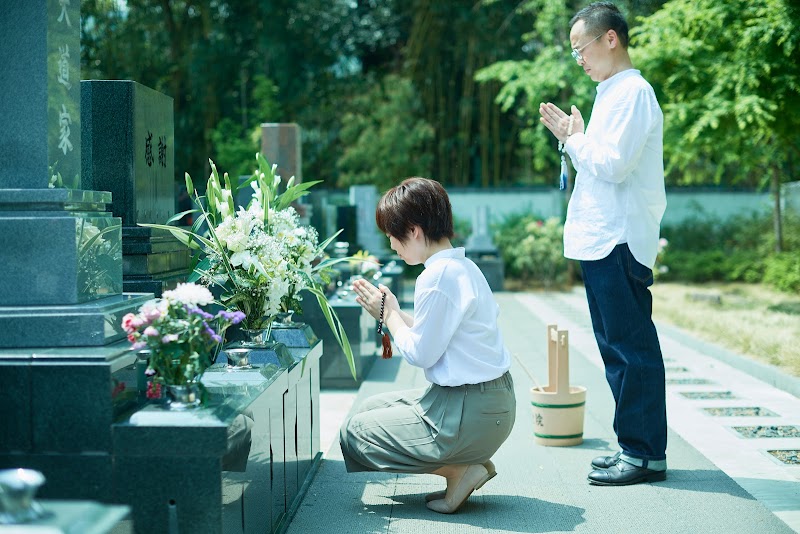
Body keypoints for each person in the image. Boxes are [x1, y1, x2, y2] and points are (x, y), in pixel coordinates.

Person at [538, 1, 668, 486]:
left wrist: (575, 139)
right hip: (602, 239)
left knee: (631, 349)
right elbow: (603, 161)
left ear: (610, 38)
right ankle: (636, 448)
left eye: (582, 50)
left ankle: (643, 453)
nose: (580, 60)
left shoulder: (633, 93)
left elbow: (612, 165)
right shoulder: (611, 93)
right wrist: (577, 136)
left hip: (618, 239)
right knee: (617, 348)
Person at [340, 177, 516, 514]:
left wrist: (389, 315)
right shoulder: (462, 267)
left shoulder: (436, 277)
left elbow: (421, 353)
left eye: (393, 236)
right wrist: (392, 311)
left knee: (355, 434)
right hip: (486, 403)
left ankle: (459, 470)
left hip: (469, 411)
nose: (392, 245)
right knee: (367, 411)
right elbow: (434, 332)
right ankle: (462, 466)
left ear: (414, 230)